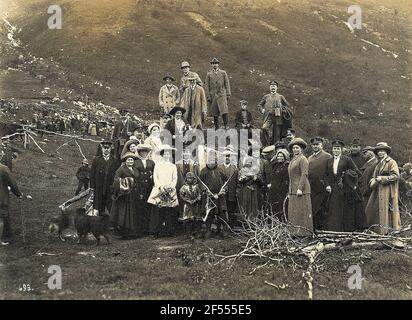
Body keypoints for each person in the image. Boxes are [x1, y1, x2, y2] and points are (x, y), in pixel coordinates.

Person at [324, 140, 363, 232]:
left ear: (341, 150)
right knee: (334, 208)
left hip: (345, 188)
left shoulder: (347, 159)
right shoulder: (329, 161)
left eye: (338, 149)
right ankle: (334, 229)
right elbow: (325, 175)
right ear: (332, 150)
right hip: (333, 188)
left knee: (345, 208)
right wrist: (327, 185)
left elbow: (355, 172)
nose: (336, 150)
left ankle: (346, 229)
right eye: (334, 149)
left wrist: (351, 182)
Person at [365, 142, 401, 234]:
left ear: (386, 152)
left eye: (382, 151)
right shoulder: (378, 164)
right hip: (377, 191)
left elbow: (396, 176)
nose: (380, 153)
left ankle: (387, 232)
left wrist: (382, 178)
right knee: (372, 210)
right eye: (379, 151)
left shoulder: (391, 162)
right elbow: (374, 176)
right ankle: (377, 231)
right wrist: (372, 181)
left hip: (388, 191)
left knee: (386, 211)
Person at [147, 145, 179, 237]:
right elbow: (155, 177)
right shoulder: (157, 165)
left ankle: (170, 231)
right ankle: (156, 231)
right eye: (165, 154)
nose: (166, 155)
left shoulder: (173, 166)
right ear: (162, 155)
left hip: (170, 190)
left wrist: (170, 187)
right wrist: (160, 187)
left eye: (168, 154)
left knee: (169, 210)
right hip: (159, 190)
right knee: (158, 211)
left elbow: (174, 178)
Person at [199, 150, 228, 238]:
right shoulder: (203, 171)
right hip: (208, 196)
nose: (211, 162)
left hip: (220, 196)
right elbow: (200, 183)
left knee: (222, 213)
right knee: (209, 213)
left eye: (213, 160)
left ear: (215, 160)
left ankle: (224, 230)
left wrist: (224, 190)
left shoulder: (220, 169)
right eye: (209, 160)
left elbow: (226, 181)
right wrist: (205, 190)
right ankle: (208, 230)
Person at [110, 152, 140, 239]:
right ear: (125, 161)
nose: (130, 161)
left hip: (133, 194)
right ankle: (124, 232)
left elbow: (137, 179)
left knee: (132, 211)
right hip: (124, 195)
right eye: (128, 160)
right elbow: (116, 179)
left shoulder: (135, 169)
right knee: (124, 212)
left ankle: (133, 232)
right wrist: (126, 182)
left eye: (131, 160)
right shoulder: (121, 169)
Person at [287, 138, 313, 236]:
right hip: (293, 190)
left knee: (302, 212)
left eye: (297, 148)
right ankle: (294, 233)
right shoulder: (293, 159)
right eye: (294, 148)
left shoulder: (303, 159)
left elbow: (304, 174)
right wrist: (290, 191)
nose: (295, 150)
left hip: (301, 190)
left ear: (301, 149)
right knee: (294, 212)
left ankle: (305, 233)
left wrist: (300, 188)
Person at [257, 80, 293, 146]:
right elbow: (259, 105)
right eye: (271, 86)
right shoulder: (266, 96)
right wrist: (262, 110)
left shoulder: (280, 97)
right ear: (269, 87)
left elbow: (287, 105)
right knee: (264, 128)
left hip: (278, 117)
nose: (273, 87)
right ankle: (267, 145)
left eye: (274, 86)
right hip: (268, 116)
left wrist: (282, 108)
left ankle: (276, 147)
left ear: (277, 88)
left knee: (277, 134)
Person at [308, 137, 332, 230]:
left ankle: (323, 229)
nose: (315, 146)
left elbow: (329, 172)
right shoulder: (309, 158)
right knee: (313, 208)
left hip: (322, 187)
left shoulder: (327, 156)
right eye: (314, 145)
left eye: (317, 144)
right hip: (312, 187)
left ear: (322, 145)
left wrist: (327, 184)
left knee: (322, 209)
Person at [90, 141, 119, 216]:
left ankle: (110, 223)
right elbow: (92, 174)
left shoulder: (114, 160)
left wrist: (115, 186)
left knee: (110, 206)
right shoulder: (96, 160)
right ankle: (99, 222)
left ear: (110, 149)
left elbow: (117, 174)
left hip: (110, 187)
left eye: (108, 148)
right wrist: (92, 186)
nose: (106, 149)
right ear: (102, 149)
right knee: (99, 206)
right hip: (99, 187)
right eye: (104, 148)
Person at [0, 149, 22, 245]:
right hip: (1, 197)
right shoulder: (3, 169)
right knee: (0, 218)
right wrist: (19, 194)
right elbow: (12, 183)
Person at [134, 144, 155, 235]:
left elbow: (154, 172)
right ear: (139, 152)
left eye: (146, 151)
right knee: (140, 207)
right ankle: (140, 229)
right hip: (140, 187)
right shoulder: (136, 162)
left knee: (148, 207)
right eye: (142, 151)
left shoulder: (151, 162)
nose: (144, 153)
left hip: (149, 187)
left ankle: (148, 229)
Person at [205, 58, 231, 130]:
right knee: (214, 112)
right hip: (213, 95)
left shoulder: (223, 73)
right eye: (213, 64)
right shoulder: (209, 74)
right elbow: (207, 86)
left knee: (224, 110)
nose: (214, 65)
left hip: (222, 94)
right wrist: (208, 96)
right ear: (211, 65)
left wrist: (228, 93)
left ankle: (226, 125)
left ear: (218, 64)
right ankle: (216, 126)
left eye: (216, 63)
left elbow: (227, 83)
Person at [265, 148, 289, 221]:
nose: (280, 158)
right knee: (272, 207)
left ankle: (281, 223)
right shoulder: (275, 165)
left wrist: (283, 189)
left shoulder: (286, 166)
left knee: (280, 207)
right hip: (273, 189)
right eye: (278, 156)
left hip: (281, 190)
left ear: (285, 157)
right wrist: (270, 184)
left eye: (282, 156)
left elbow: (286, 180)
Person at [218, 147, 239, 225]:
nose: (227, 158)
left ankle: (230, 227)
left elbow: (237, 181)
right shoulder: (219, 168)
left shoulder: (235, 168)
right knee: (221, 210)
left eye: (229, 156)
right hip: (221, 193)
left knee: (231, 210)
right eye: (225, 156)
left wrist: (236, 191)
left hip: (231, 193)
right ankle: (221, 227)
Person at [179, 172, 203, 238]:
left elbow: (199, 195)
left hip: (196, 205)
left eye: (191, 178)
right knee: (188, 219)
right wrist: (188, 200)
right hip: (188, 205)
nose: (190, 180)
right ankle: (189, 233)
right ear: (186, 179)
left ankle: (198, 232)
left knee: (197, 218)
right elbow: (181, 196)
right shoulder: (184, 187)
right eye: (188, 178)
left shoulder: (197, 187)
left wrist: (196, 200)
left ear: (194, 179)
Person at [359, 146, 378, 210]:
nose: (363, 155)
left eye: (365, 153)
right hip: (364, 192)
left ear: (371, 153)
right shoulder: (369, 163)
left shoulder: (375, 163)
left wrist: (367, 190)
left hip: (369, 193)